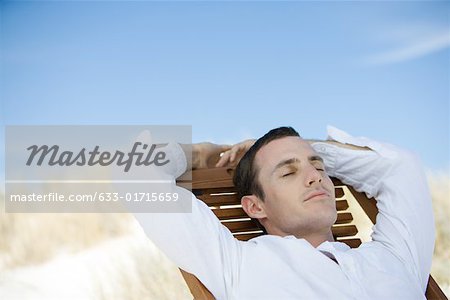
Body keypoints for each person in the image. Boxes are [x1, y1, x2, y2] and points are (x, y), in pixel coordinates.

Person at [133, 126, 435, 299]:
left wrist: (300, 148)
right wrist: (205, 153)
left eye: (318, 167)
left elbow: (400, 166)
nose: (315, 177)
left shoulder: (394, 257)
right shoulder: (237, 266)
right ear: (255, 206)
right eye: (288, 173)